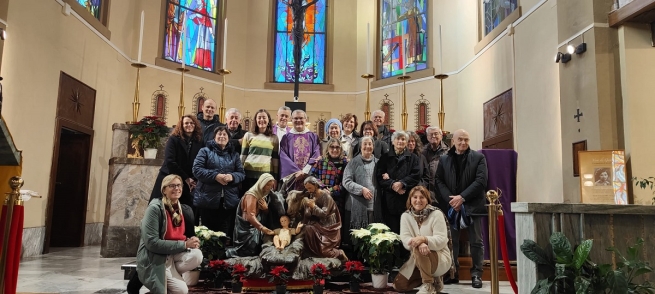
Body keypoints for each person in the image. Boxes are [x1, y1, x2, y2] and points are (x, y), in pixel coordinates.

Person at [435, 129, 487, 288]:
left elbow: (481, 181)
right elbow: (438, 181)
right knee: (452, 241)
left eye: (466, 139)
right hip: (452, 206)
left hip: (472, 205)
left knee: (476, 241)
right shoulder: (444, 159)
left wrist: (462, 197)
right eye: (460, 140)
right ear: (453, 141)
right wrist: (451, 200)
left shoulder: (479, 157)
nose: (463, 143)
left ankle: (476, 274)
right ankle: (453, 272)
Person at [135, 174, 202, 294]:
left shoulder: (182, 209)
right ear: (164, 190)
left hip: (172, 255)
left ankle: (169, 273)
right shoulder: (155, 209)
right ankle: (160, 273)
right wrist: (185, 245)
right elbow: (152, 243)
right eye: (172, 186)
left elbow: (179, 236)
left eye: (179, 185)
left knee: (197, 255)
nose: (176, 188)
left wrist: (191, 240)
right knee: (180, 291)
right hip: (156, 256)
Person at [393, 186, 452, 294]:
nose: (418, 200)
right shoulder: (406, 216)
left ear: (427, 200)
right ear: (410, 199)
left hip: (439, 257)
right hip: (417, 259)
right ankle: (434, 280)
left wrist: (424, 239)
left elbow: (442, 240)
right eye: (415, 197)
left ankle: (428, 284)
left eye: (422, 197)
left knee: (418, 249)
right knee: (399, 285)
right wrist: (420, 243)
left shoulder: (436, 214)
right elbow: (405, 240)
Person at [192, 126, 245, 238]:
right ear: (214, 137)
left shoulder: (234, 154)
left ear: (229, 138)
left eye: (224, 134)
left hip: (228, 200)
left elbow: (241, 173)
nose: (222, 136)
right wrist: (215, 176)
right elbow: (196, 170)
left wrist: (232, 176)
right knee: (208, 234)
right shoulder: (205, 151)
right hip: (207, 199)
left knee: (224, 235)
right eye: (219, 134)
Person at [149, 115, 203, 219]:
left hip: (189, 181)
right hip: (169, 177)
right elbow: (170, 161)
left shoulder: (199, 141)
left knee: (185, 211)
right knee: (163, 209)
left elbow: (200, 162)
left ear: (195, 125)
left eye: (192, 123)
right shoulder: (174, 139)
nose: (189, 125)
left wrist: (193, 179)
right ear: (181, 125)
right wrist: (186, 178)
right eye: (186, 123)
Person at [377, 130, 421, 234]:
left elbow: (416, 176)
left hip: (406, 200)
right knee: (391, 232)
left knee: (406, 232)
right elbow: (379, 177)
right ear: (393, 141)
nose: (400, 141)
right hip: (389, 201)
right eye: (398, 139)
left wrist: (402, 184)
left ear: (406, 142)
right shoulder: (385, 158)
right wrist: (392, 184)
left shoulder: (413, 158)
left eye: (403, 139)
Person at [226, 173, 278, 258]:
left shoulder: (263, 194)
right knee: (248, 250)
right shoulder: (252, 195)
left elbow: (265, 213)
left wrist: (265, 209)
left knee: (255, 249)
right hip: (246, 228)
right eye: (267, 185)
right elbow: (250, 216)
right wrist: (262, 228)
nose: (269, 187)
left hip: (255, 226)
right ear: (262, 183)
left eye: (271, 186)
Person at [299, 176, 347, 261]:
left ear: (316, 185)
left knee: (324, 251)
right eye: (307, 188)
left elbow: (324, 214)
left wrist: (313, 207)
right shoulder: (311, 195)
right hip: (317, 224)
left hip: (328, 227)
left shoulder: (326, 197)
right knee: (306, 229)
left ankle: (339, 253)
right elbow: (308, 215)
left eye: (310, 188)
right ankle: (313, 254)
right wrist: (308, 209)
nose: (309, 190)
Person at [342, 136, 379, 231]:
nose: (367, 146)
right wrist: (361, 189)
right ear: (360, 147)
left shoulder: (378, 163)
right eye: (365, 144)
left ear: (373, 146)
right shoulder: (353, 163)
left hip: (374, 207)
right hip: (356, 205)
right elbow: (346, 181)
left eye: (370, 144)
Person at [279, 109, 321, 189]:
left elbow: (316, 154)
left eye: (301, 118)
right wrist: (296, 172)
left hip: (309, 177)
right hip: (293, 177)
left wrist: (305, 171)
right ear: (291, 120)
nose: (298, 120)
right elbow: (283, 157)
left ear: (306, 120)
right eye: (296, 118)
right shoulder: (286, 138)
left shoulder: (313, 137)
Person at [240, 109, 280, 190]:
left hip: (266, 176)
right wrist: (240, 175)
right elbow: (243, 156)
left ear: (268, 120)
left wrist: (275, 178)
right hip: (249, 175)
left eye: (264, 117)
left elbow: (275, 160)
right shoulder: (248, 135)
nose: (261, 120)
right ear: (256, 120)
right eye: (259, 118)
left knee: (263, 202)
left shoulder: (274, 138)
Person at [310, 137, 349, 220]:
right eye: (332, 147)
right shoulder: (321, 161)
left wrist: (331, 191)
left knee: (335, 224)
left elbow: (346, 182)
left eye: (337, 147)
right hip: (320, 197)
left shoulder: (345, 163)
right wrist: (322, 188)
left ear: (341, 149)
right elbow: (312, 176)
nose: (335, 149)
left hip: (337, 199)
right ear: (328, 148)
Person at [422, 126, 449, 201]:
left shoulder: (448, 152)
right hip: (425, 192)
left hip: (443, 192)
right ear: (427, 137)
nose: (433, 136)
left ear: (441, 136)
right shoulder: (422, 152)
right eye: (430, 134)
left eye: (436, 134)